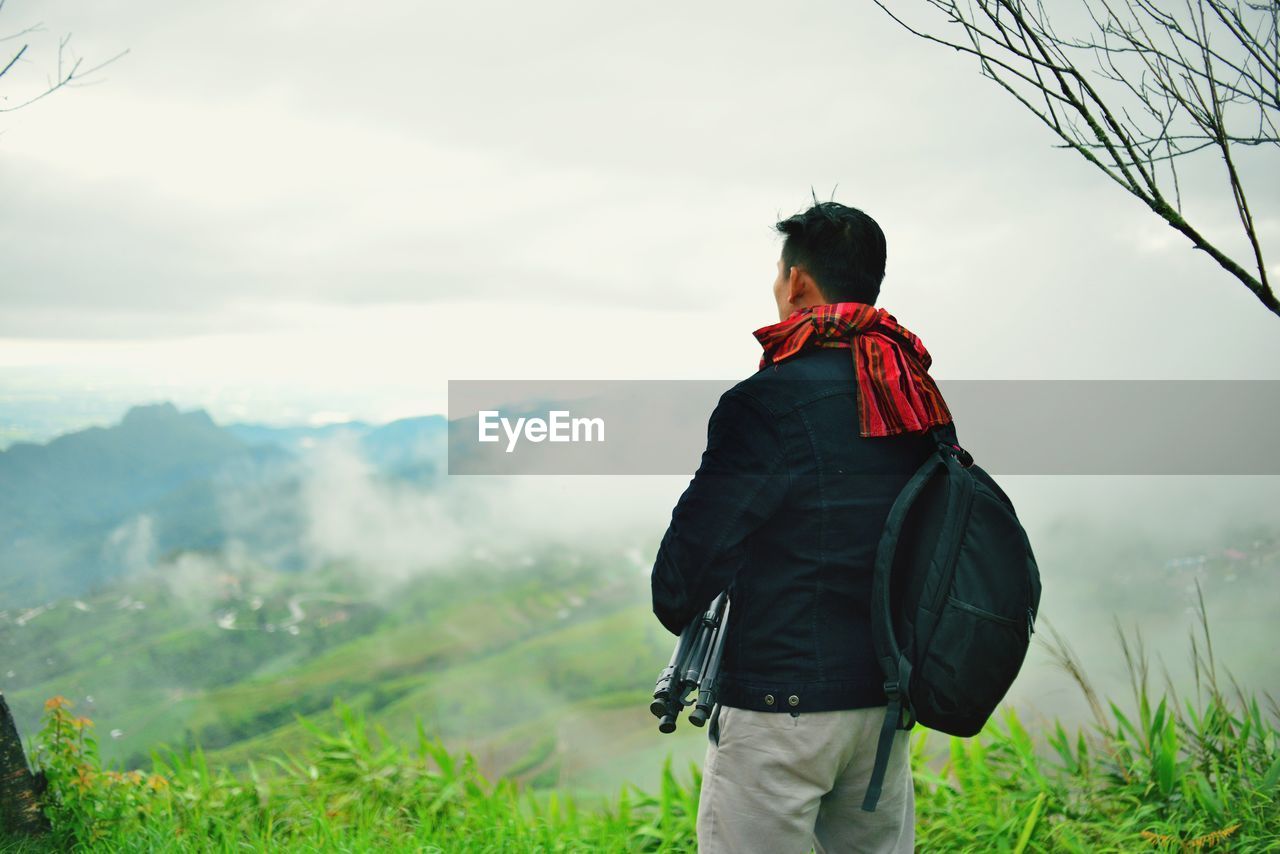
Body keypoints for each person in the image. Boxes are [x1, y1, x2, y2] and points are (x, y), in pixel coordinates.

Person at [650, 199, 955, 853]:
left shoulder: (765, 403)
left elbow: (678, 586)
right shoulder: (915, 394)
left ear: (797, 283)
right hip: (883, 706)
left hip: (777, 713)